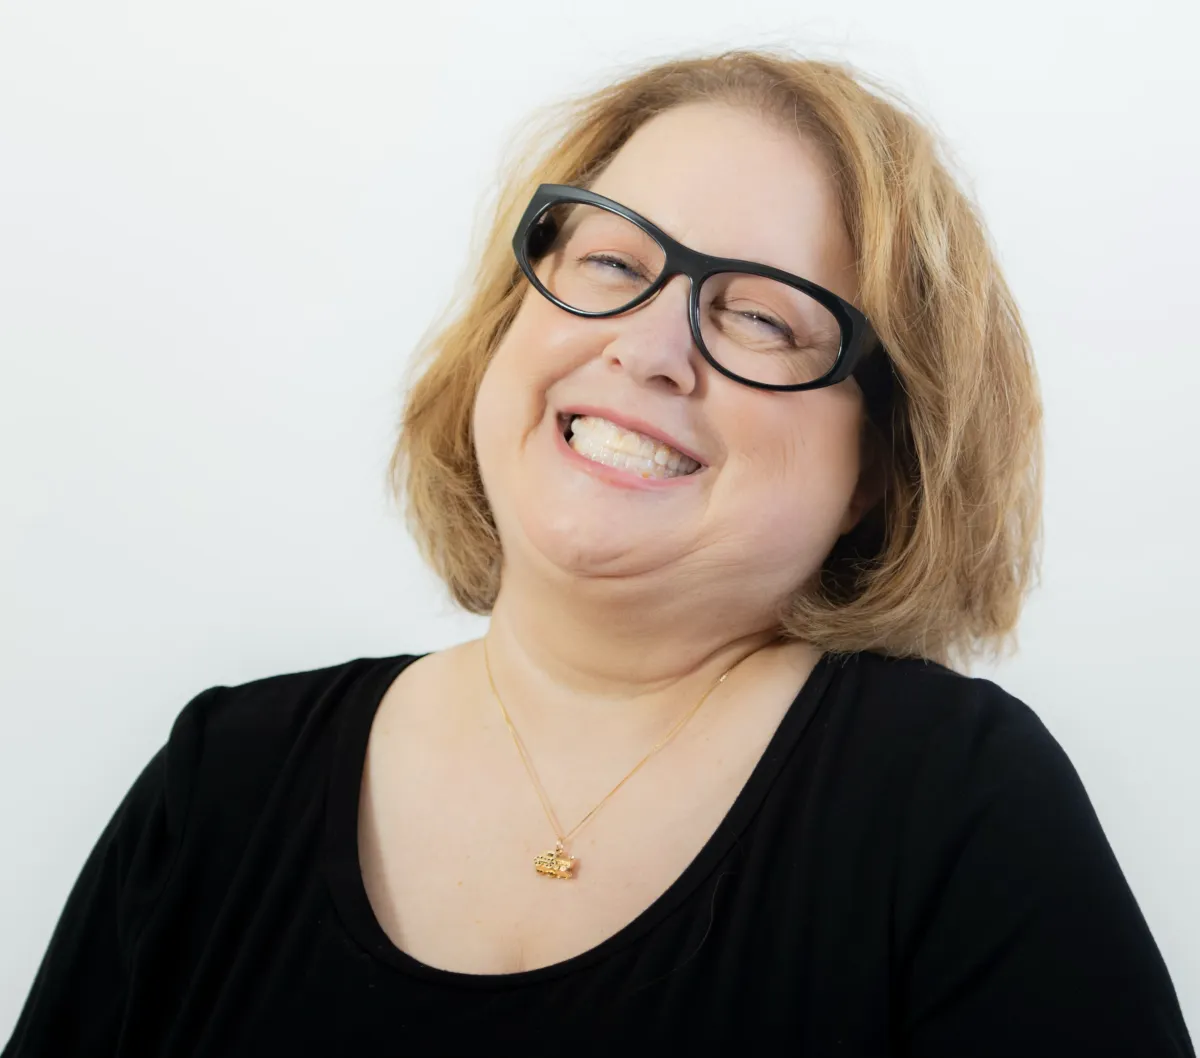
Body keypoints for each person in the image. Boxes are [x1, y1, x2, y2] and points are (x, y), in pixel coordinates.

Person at [3, 49, 1193, 1057]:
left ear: (882, 465)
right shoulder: (222, 781)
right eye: (614, 264)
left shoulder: (960, 804)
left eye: (764, 315)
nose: (651, 346)